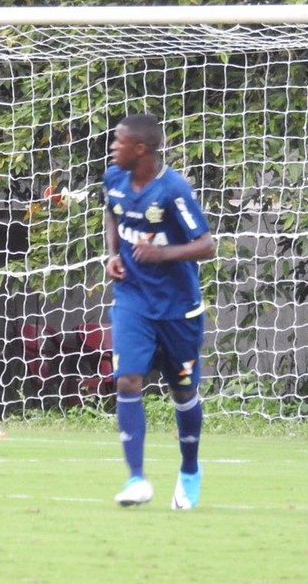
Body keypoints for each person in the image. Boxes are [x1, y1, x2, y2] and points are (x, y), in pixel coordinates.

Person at [102, 113, 216, 510]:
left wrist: (162, 253)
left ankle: (189, 470)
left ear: (141, 149)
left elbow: (206, 245)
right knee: (128, 380)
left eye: (118, 141)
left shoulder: (173, 190)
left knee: (182, 390)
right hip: (132, 299)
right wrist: (113, 255)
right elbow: (112, 214)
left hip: (177, 309)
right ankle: (136, 479)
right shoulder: (114, 178)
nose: (112, 147)